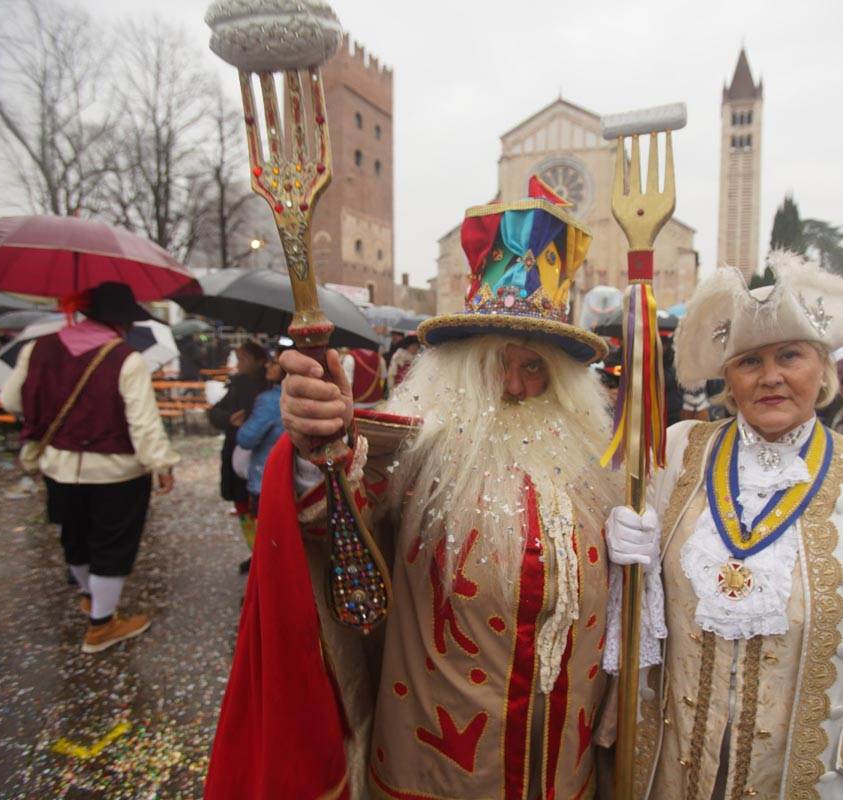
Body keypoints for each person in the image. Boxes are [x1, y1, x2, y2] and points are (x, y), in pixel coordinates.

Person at [206, 184, 618, 800]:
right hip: (439, 767)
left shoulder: (596, 462)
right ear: (462, 370)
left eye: (534, 367)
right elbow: (332, 518)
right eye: (497, 364)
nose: (514, 385)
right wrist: (320, 443)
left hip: (562, 769)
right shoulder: (417, 447)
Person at [599, 254, 843, 798]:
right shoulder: (672, 452)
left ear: (823, 367)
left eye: (790, 355)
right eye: (749, 361)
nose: (770, 377)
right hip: (669, 767)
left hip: (812, 773)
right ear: (728, 377)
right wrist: (614, 544)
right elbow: (628, 604)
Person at [0, 282, 178, 653]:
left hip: (59, 467)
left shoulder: (38, 348)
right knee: (112, 544)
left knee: (75, 538)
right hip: (117, 472)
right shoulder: (126, 358)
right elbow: (143, 423)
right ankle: (102, 625)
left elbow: (10, 399)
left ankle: (90, 597)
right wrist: (161, 464)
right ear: (123, 321)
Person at [207, 340, 269, 568]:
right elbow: (215, 412)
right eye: (238, 357)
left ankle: (264, 557)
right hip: (236, 454)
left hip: (260, 458)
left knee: (261, 509)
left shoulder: (268, 388)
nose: (238, 363)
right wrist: (227, 419)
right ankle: (256, 553)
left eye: (243, 358)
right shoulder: (237, 385)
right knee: (243, 507)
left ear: (260, 361)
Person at [233, 351, 285, 552]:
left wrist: (241, 425)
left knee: (268, 543)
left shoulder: (270, 400)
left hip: (266, 479)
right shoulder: (300, 396)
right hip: (292, 480)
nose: (268, 366)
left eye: (275, 363)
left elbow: (246, 439)